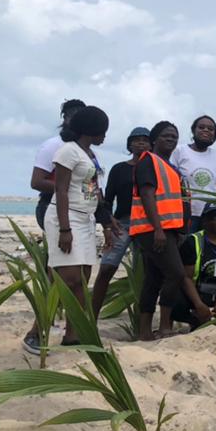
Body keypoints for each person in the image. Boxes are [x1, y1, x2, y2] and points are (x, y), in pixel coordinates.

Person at [23, 106, 111, 355]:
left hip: (86, 219)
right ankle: (35, 332)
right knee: (66, 278)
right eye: (102, 130)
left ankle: (72, 335)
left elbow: (93, 188)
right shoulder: (67, 151)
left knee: (81, 278)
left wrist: (106, 219)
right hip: (66, 217)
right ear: (91, 129)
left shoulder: (89, 154)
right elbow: (60, 190)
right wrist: (65, 229)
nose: (105, 136)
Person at [132, 121, 210, 340]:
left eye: (175, 137)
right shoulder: (149, 161)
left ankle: (145, 331)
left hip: (170, 230)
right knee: (175, 274)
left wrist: (179, 230)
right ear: (154, 139)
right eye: (166, 136)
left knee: (153, 278)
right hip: (153, 229)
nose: (171, 139)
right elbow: (147, 195)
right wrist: (158, 229)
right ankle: (165, 326)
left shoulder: (169, 166)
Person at [91, 127, 151, 318]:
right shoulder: (119, 169)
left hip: (146, 223)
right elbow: (108, 199)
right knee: (108, 266)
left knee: (143, 272)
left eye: (145, 140)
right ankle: (91, 313)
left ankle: (142, 319)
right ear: (129, 144)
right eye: (136, 140)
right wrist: (107, 222)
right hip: (122, 222)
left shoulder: (154, 168)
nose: (140, 143)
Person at [30, 98, 85, 229]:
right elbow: (37, 182)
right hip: (52, 206)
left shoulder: (85, 149)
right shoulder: (53, 145)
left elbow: (89, 181)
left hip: (79, 209)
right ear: (66, 119)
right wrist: (71, 190)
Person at [172, 115, 216, 233]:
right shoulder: (180, 151)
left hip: (210, 214)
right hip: (187, 213)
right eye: (201, 127)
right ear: (193, 130)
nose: (206, 130)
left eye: (210, 129)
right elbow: (170, 175)